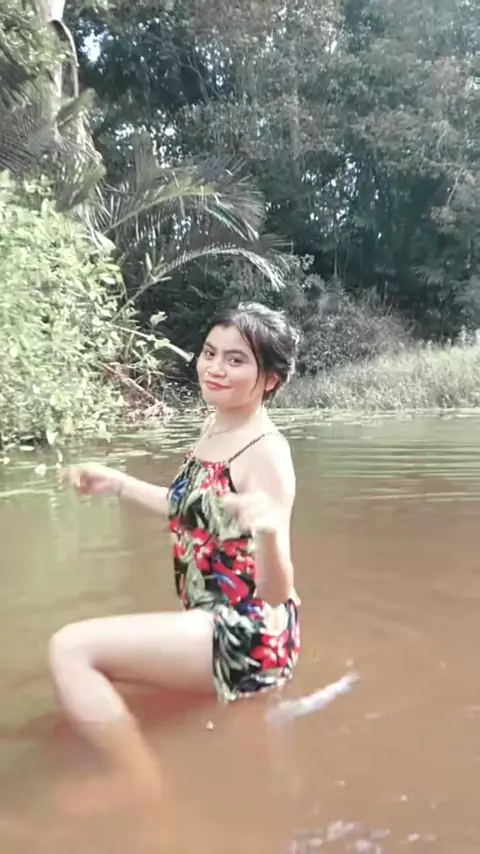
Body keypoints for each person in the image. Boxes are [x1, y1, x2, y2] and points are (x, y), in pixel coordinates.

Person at [49, 301, 301, 811]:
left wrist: (269, 531)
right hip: (209, 618)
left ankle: (137, 781)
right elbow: (190, 509)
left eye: (236, 360)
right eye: (210, 353)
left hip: (248, 631)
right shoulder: (217, 426)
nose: (214, 368)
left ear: (270, 380)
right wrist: (118, 484)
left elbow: (276, 593)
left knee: (71, 648)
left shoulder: (267, 453)